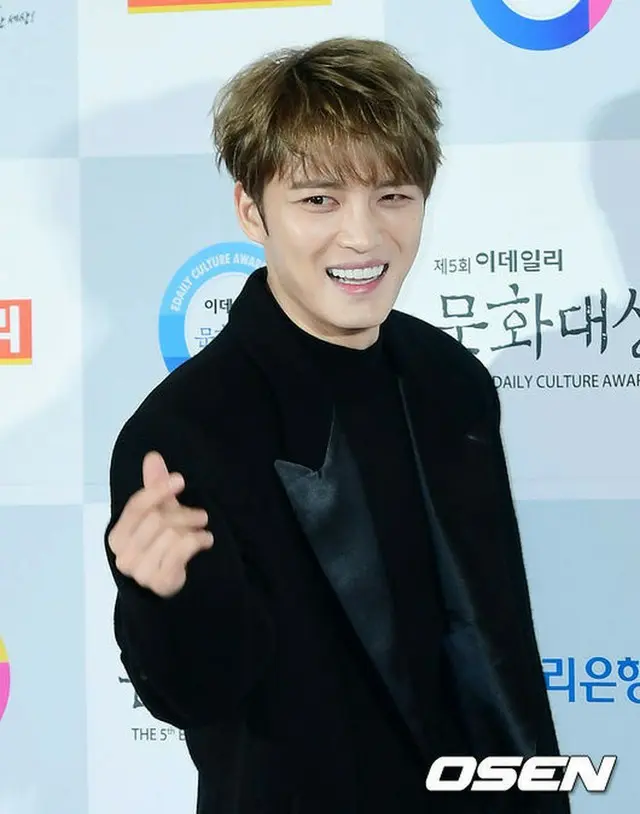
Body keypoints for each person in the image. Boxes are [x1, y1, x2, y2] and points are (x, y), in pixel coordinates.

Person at [105, 37, 570, 814]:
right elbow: (199, 696)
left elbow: (494, 652)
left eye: (393, 196)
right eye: (319, 200)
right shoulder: (187, 429)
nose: (363, 236)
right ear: (251, 211)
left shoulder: (451, 380)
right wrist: (163, 597)